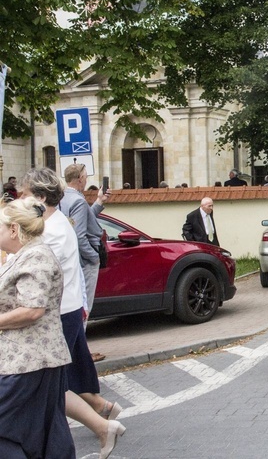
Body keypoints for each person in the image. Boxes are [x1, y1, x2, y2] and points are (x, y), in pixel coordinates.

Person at [19, 168, 126, 458]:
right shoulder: (55, 223)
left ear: (40, 197)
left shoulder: (51, 230)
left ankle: (102, 425)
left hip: (57, 312)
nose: (21, 199)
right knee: (60, 379)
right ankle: (103, 414)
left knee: (50, 383)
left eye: (25, 195)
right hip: (67, 309)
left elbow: (33, 272)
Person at [0, 198, 76, 459]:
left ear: (13, 229)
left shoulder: (36, 256)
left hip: (28, 360)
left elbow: (33, 309)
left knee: (28, 429)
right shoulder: (22, 255)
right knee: (45, 430)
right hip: (30, 359)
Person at [59, 164, 109, 323]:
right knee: (84, 306)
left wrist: (99, 201)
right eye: (86, 176)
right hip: (84, 261)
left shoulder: (63, 198)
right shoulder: (78, 201)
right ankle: (79, 345)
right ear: (80, 179)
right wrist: (93, 257)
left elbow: (82, 221)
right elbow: (79, 235)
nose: (87, 179)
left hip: (69, 258)